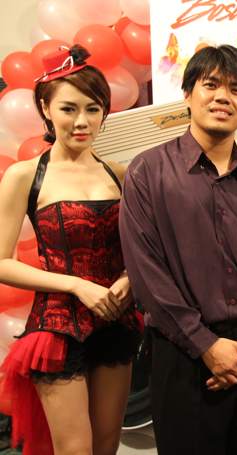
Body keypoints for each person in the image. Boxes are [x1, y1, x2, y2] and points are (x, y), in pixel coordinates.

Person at [118, 44, 237, 455]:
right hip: (183, 356)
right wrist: (206, 345)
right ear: (187, 94)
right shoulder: (148, 172)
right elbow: (147, 274)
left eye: (236, 89)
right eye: (210, 85)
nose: (222, 97)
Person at [0, 45, 143, 455]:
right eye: (68, 109)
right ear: (45, 109)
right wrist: (77, 285)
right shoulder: (24, 175)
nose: (82, 121)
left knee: (106, 446)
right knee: (75, 449)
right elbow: (2, 263)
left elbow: (140, 249)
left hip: (115, 321)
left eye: (93, 109)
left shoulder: (120, 174)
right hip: (58, 326)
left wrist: (129, 279)